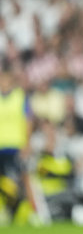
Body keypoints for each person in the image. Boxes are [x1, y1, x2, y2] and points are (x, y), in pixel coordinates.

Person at [0, 70, 34, 222]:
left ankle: (31, 211)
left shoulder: (19, 97)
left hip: (15, 146)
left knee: (22, 180)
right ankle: (5, 211)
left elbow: (28, 121)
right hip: (1, 146)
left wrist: (27, 143)